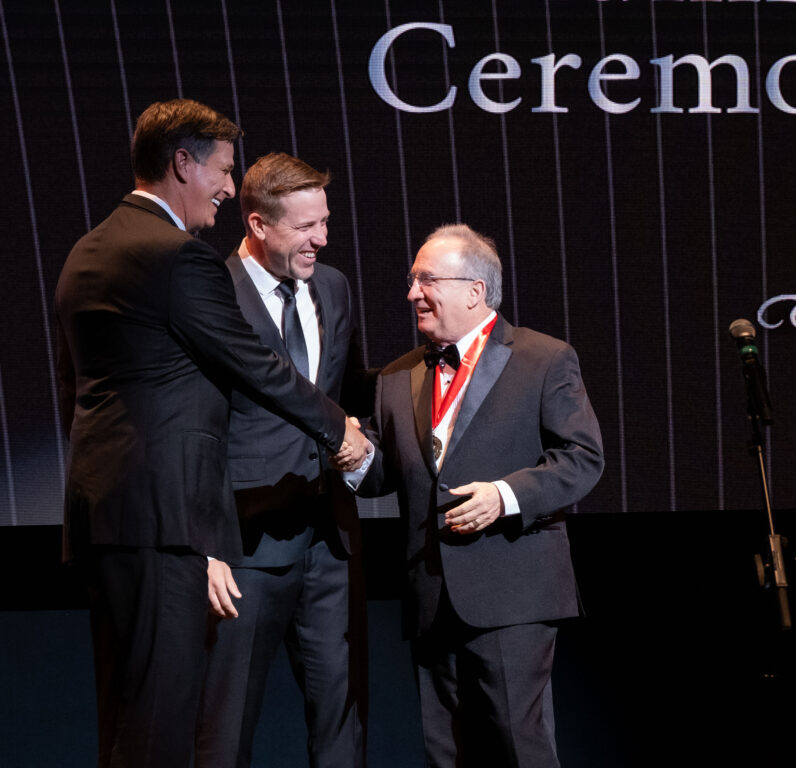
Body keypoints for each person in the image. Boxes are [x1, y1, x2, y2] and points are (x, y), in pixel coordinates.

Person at [55, 100, 365, 768]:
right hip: (167, 523)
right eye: (223, 171)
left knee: (131, 716)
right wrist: (340, 426)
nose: (228, 186)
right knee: (163, 729)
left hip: (109, 516)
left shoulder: (91, 248)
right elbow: (254, 367)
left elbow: (76, 391)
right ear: (183, 163)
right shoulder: (177, 257)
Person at [348, 224, 604, 767]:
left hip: (512, 589)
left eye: (426, 280)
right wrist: (352, 455)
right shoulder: (395, 376)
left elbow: (582, 458)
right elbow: (382, 477)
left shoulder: (544, 358)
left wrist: (506, 494)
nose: (412, 292)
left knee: (518, 745)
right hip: (429, 592)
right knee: (447, 753)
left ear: (475, 291)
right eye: (412, 280)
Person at [195, 152, 372, 768]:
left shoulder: (333, 286)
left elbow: (346, 397)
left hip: (328, 542)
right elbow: (195, 432)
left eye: (324, 222)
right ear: (257, 224)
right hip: (243, 548)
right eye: (306, 227)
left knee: (342, 726)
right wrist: (206, 544)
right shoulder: (210, 294)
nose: (322, 239)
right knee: (226, 728)